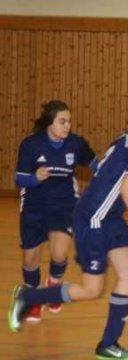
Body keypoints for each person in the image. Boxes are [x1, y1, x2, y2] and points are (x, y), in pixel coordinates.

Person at [8, 92, 128, 360]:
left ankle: (109, 344)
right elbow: (127, 189)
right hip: (94, 218)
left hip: (110, 216)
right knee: (92, 289)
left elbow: (110, 173)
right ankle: (30, 298)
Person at [14, 100, 96, 324]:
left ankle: (52, 288)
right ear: (50, 123)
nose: (67, 126)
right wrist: (35, 178)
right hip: (34, 204)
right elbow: (19, 178)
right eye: (62, 121)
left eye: (69, 121)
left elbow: (97, 165)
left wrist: (117, 178)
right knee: (30, 259)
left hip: (64, 203)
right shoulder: (31, 145)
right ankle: (33, 299)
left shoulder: (76, 144)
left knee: (60, 253)